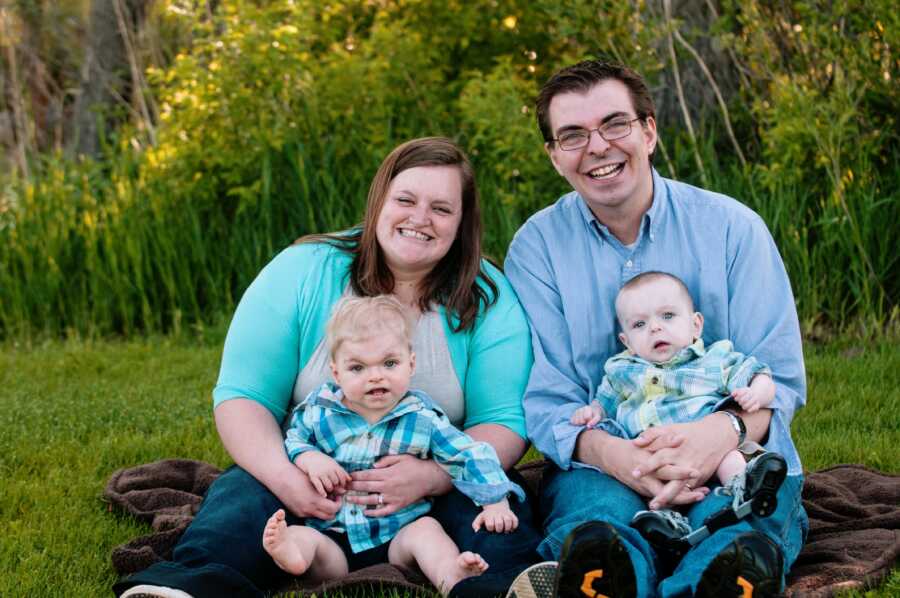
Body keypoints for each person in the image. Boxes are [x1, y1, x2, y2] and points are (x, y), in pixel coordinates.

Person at [115, 137, 542, 598]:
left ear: (462, 223)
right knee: (241, 500)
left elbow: (501, 421)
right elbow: (244, 396)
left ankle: (506, 588)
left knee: (497, 506)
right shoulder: (302, 270)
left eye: (442, 208)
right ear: (380, 201)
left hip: (432, 486)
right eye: (405, 199)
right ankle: (190, 588)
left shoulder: (486, 295)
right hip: (310, 477)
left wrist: (434, 477)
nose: (420, 218)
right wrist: (289, 479)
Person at [504, 60, 807, 598]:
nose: (597, 147)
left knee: (746, 512)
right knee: (597, 522)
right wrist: (617, 457)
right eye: (572, 135)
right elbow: (550, 398)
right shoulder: (538, 249)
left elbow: (778, 379)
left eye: (615, 124)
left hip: (732, 452)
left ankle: (715, 580)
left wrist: (718, 436)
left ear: (648, 130)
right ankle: (611, 576)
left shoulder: (734, 229)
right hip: (603, 459)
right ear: (554, 156)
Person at [262, 295, 525, 596]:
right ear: (337, 373)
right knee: (303, 537)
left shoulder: (421, 418)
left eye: (389, 363)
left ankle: (450, 573)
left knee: (427, 533)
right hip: (333, 534)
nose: (376, 376)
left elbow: (469, 453)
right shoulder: (321, 411)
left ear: (410, 364)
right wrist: (309, 458)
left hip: (398, 534)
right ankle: (291, 554)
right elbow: (294, 438)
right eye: (358, 368)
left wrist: (495, 501)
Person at [570, 271, 781, 511]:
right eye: (639, 324)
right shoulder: (622, 371)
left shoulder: (713, 361)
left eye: (668, 316)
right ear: (627, 342)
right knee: (639, 491)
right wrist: (592, 411)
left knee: (731, 460)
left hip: (708, 454)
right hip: (648, 463)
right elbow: (603, 403)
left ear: (695, 325)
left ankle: (744, 489)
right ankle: (664, 521)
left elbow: (760, 374)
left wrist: (756, 393)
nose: (655, 328)